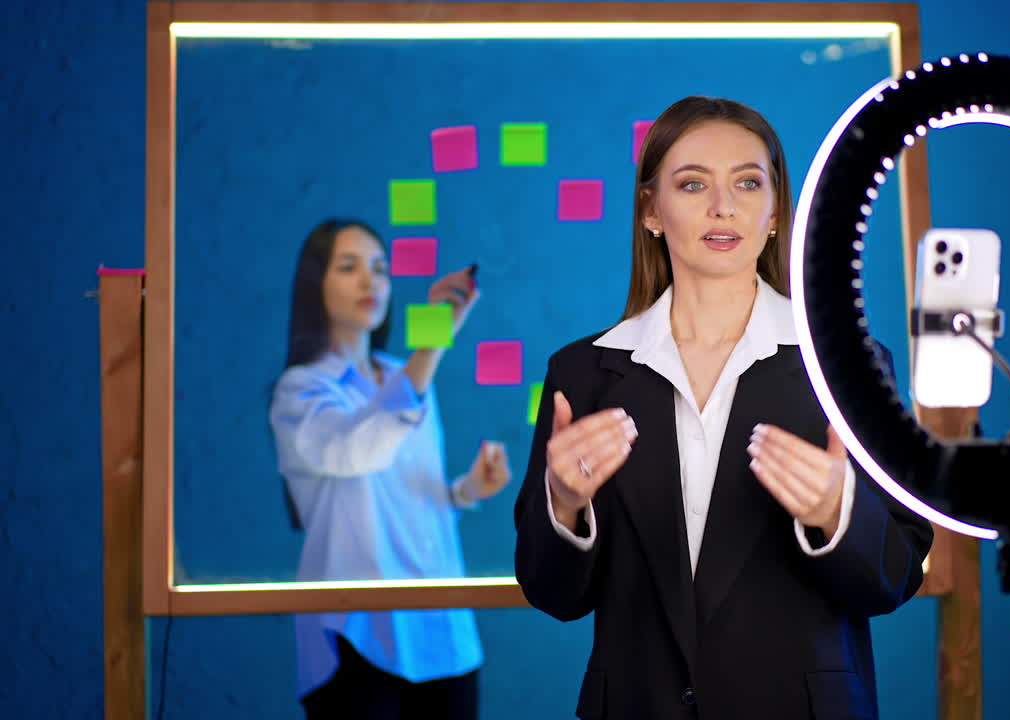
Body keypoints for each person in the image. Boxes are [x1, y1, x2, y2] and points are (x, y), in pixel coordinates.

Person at [514, 97, 933, 719]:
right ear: (651, 210)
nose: (723, 207)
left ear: (774, 212)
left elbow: (896, 576)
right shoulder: (581, 373)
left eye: (747, 182)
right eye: (692, 184)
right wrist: (566, 507)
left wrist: (835, 515)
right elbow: (552, 593)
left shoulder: (850, 366)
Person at [270, 219, 511, 720]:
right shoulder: (300, 391)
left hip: (444, 632)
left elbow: (406, 500)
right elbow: (358, 450)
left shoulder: (407, 374)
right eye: (348, 267)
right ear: (316, 284)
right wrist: (434, 341)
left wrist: (465, 491)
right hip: (359, 635)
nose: (370, 281)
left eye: (380, 269)